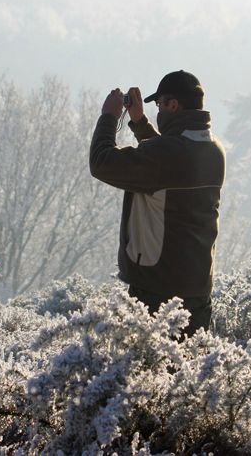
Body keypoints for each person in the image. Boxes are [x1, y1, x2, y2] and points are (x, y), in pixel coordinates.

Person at [89, 70, 226, 336]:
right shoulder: (213, 149)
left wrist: (109, 117)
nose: (158, 111)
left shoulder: (167, 155)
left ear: (173, 105)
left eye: (160, 105)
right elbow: (166, 162)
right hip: (197, 292)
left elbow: (101, 163)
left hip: (157, 293)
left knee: (147, 375)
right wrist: (139, 122)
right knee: (189, 375)